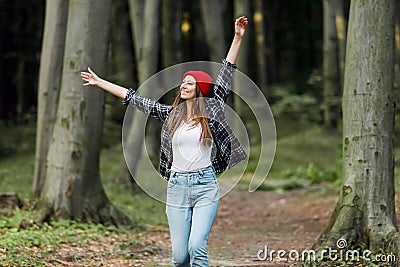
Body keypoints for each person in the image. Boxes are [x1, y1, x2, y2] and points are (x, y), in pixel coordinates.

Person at [81, 16, 248, 267]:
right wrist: (99, 82)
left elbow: (226, 72)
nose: (184, 85)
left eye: (189, 83)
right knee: (180, 257)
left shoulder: (212, 111)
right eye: (183, 82)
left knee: (197, 248)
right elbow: (134, 98)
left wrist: (237, 37)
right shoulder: (171, 114)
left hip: (205, 187)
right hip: (177, 187)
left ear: (200, 89)